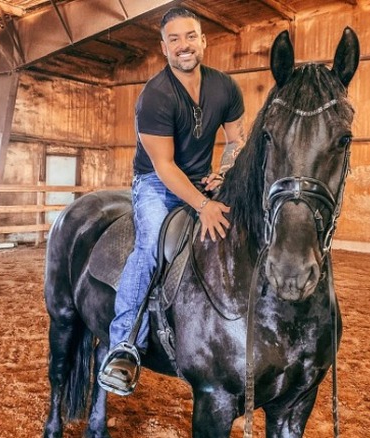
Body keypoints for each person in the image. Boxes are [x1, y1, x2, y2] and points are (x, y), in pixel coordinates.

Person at [97, 7, 247, 395]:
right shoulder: (155, 96)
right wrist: (202, 204)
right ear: (164, 48)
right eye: (175, 39)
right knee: (149, 248)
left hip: (202, 180)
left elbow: (235, 142)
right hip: (156, 184)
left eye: (191, 36)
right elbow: (163, 167)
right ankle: (124, 344)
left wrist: (226, 173)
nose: (184, 45)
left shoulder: (226, 87)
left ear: (203, 40)